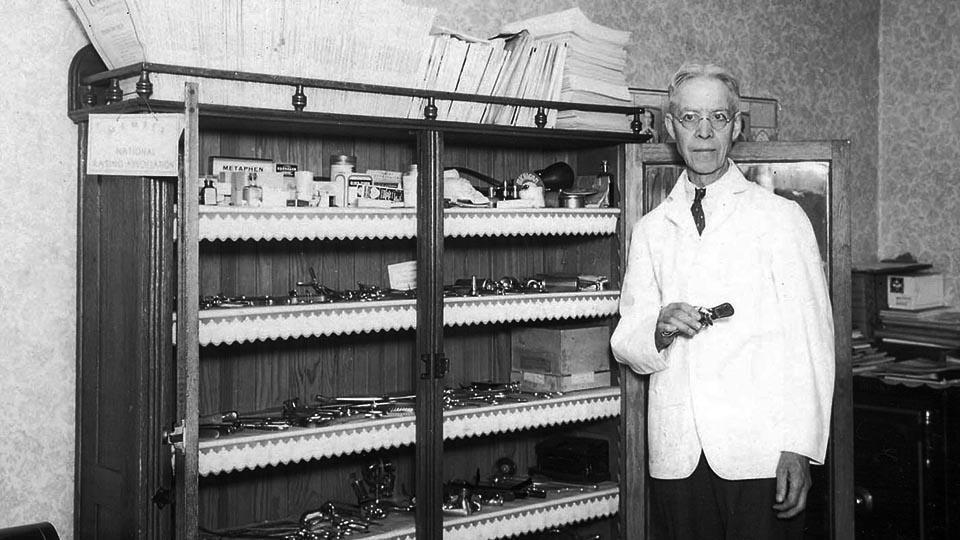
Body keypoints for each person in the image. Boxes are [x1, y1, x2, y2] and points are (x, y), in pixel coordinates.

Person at [610, 63, 835, 540]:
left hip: (760, 453)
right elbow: (625, 340)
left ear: (737, 126)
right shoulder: (652, 228)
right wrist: (659, 326)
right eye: (690, 118)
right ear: (671, 128)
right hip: (679, 455)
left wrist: (800, 446)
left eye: (718, 117)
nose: (705, 132)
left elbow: (812, 342)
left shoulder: (780, 218)